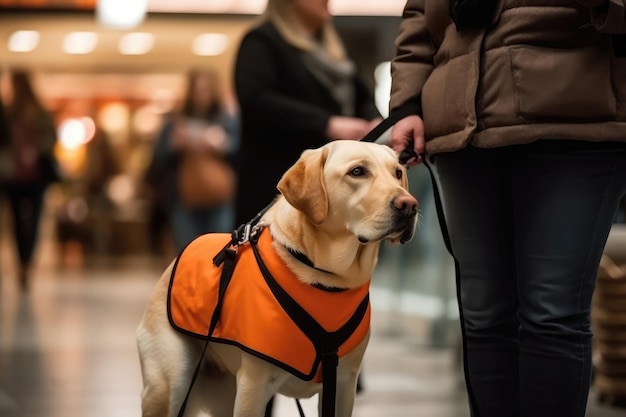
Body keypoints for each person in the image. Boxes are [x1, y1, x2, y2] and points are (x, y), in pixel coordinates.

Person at [389, 2, 626, 417]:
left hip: (573, 117)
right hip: (464, 126)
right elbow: (419, 14)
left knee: (551, 315)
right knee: (483, 316)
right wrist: (407, 103)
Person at [233, 0, 382, 226]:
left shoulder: (336, 50)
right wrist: (326, 124)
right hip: (279, 182)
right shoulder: (262, 41)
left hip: (335, 185)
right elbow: (256, 100)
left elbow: (362, 96)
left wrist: (375, 121)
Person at [147, 68, 239, 253]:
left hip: (219, 197)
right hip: (183, 198)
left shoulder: (227, 121)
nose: (201, 95)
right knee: (188, 252)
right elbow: (158, 160)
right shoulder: (175, 123)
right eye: (197, 90)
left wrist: (220, 145)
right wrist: (174, 145)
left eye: (205, 89)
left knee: (219, 250)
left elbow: (240, 153)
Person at [1, 70, 59, 290]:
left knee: (33, 221)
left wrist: (39, 149)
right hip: (12, 175)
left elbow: (52, 138)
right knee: (16, 221)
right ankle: (21, 263)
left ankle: (28, 263)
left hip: (36, 176)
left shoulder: (40, 113)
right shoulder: (8, 113)